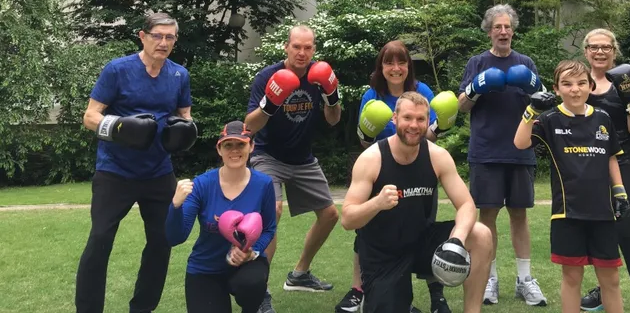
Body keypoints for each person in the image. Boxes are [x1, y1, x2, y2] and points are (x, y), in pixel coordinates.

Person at [76, 12, 196, 313]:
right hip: (115, 170)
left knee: (162, 241)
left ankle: (142, 309)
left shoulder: (179, 74)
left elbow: (185, 116)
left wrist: (185, 131)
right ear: (143, 36)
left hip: (158, 172)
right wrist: (119, 128)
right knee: (100, 239)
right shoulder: (117, 70)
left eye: (170, 37)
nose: (164, 42)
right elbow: (90, 116)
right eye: (158, 36)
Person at [341, 91, 493, 313]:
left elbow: (466, 205)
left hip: (422, 242)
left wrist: (457, 240)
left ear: (428, 121)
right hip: (383, 253)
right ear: (395, 118)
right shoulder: (372, 159)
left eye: (421, 119)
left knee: (480, 234)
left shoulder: (437, 156)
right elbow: (347, 219)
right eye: (407, 118)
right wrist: (377, 203)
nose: (414, 125)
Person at [335, 40, 456, 313]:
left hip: (419, 171)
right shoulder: (372, 96)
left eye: (401, 62)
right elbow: (365, 141)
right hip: (382, 173)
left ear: (408, 66)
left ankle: (437, 293)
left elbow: (430, 135)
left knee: (426, 228)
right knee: (366, 230)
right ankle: (358, 289)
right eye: (389, 62)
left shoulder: (421, 91)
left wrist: (441, 126)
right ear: (382, 67)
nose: (396, 68)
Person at [513, 60, 630, 313]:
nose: (574, 89)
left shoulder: (603, 117)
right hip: (568, 213)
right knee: (572, 277)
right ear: (556, 89)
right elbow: (520, 143)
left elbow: (611, 156)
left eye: (580, 83)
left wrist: (619, 191)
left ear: (590, 86)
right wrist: (531, 110)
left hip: (603, 213)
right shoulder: (550, 119)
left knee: (611, 279)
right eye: (567, 84)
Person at [244, 25, 341, 313]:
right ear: (286, 47)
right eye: (296, 46)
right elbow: (250, 125)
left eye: (308, 47)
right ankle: (259, 291)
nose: (302, 53)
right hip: (267, 156)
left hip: (303, 159)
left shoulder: (319, 75)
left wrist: (332, 96)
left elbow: (334, 120)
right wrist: (270, 104)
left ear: (313, 49)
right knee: (271, 211)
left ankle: (299, 274)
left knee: (330, 214)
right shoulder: (267, 77)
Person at [458, 4, 547, 306]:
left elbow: (545, 100)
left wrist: (534, 84)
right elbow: (461, 105)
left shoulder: (526, 62)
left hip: (521, 148)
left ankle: (525, 279)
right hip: (486, 150)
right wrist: (476, 87)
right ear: (489, 31)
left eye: (507, 26)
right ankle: (489, 278)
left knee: (519, 215)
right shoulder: (477, 62)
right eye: (498, 27)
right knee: (488, 216)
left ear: (513, 30)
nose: (503, 31)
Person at [579, 29, 630, 313]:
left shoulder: (625, 82)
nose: (600, 52)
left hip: (624, 163)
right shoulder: (576, 82)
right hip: (587, 165)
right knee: (599, 231)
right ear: (585, 51)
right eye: (594, 47)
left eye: (606, 47)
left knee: (625, 231)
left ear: (614, 50)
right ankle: (604, 292)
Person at [166, 121, 277, 313]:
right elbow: (175, 237)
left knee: (251, 284)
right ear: (219, 149)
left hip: (247, 264)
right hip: (206, 268)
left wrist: (252, 251)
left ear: (251, 146)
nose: (234, 150)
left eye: (240, 144)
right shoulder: (202, 185)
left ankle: (253, 307)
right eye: (228, 145)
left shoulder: (264, 184)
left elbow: (269, 229)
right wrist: (175, 205)